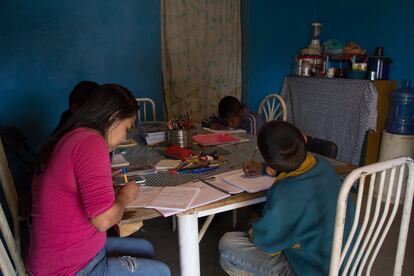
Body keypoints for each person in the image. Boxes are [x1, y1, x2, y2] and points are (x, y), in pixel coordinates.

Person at [28, 84, 170, 276]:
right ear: (112, 118)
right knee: (161, 272)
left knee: (145, 248)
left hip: (60, 255)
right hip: (69, 268)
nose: (124, 137)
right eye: (126, 128)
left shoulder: (72, 136)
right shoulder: (91, 143)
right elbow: (104, 220)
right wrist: (125, 196)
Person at [218, 121, 355, 276]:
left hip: (312, 268)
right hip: (345, 262)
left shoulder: (285, 194)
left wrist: (255, 229)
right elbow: (299, 174)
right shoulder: (322, 165)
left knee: (228, 245)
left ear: (271, 162)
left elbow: (266, 243)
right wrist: (263, 168)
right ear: (303, 138)